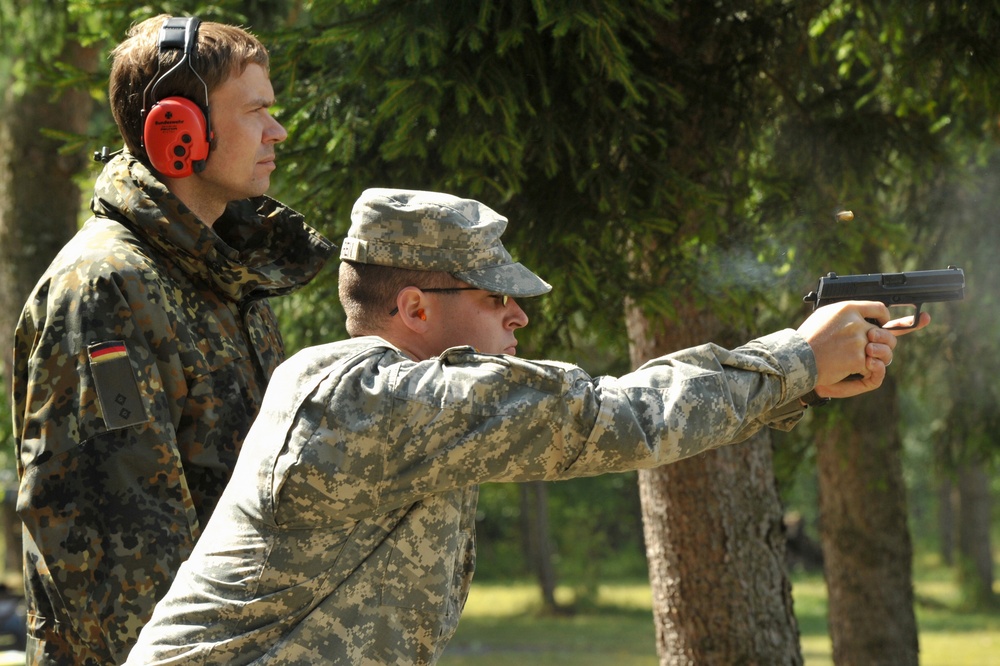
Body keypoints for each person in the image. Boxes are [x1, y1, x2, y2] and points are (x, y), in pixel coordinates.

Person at [125, 188, 926, 665]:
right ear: (413, 309)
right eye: (492, 297)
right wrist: (793, 359)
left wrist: (798, 372)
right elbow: (611, 417)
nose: (517, 317)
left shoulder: (369, 393)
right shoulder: (376, 400)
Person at [10, 14, 332, 665]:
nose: (279, 131)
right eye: (256, 112)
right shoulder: (107, 289)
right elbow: (121, 550)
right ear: (177, 130)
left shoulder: (219, 275)